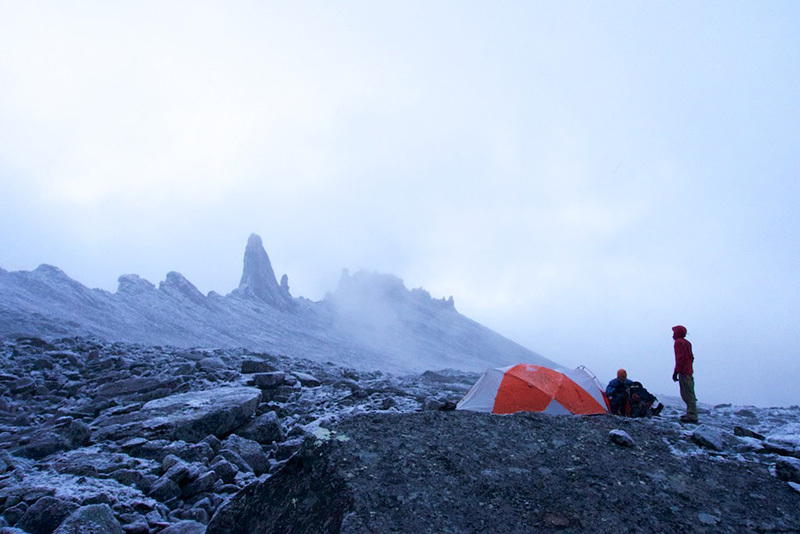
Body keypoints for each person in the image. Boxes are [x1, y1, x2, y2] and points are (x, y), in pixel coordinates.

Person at [672, 325, 698, 423]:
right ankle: (691, 413)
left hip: (684, 371)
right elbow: (691, 357)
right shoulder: (687, 343)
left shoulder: (678, 343)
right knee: (689, 392)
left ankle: (692, 415)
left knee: (686, 393)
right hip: (689, 371)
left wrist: (676, 371)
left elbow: (680, 358)